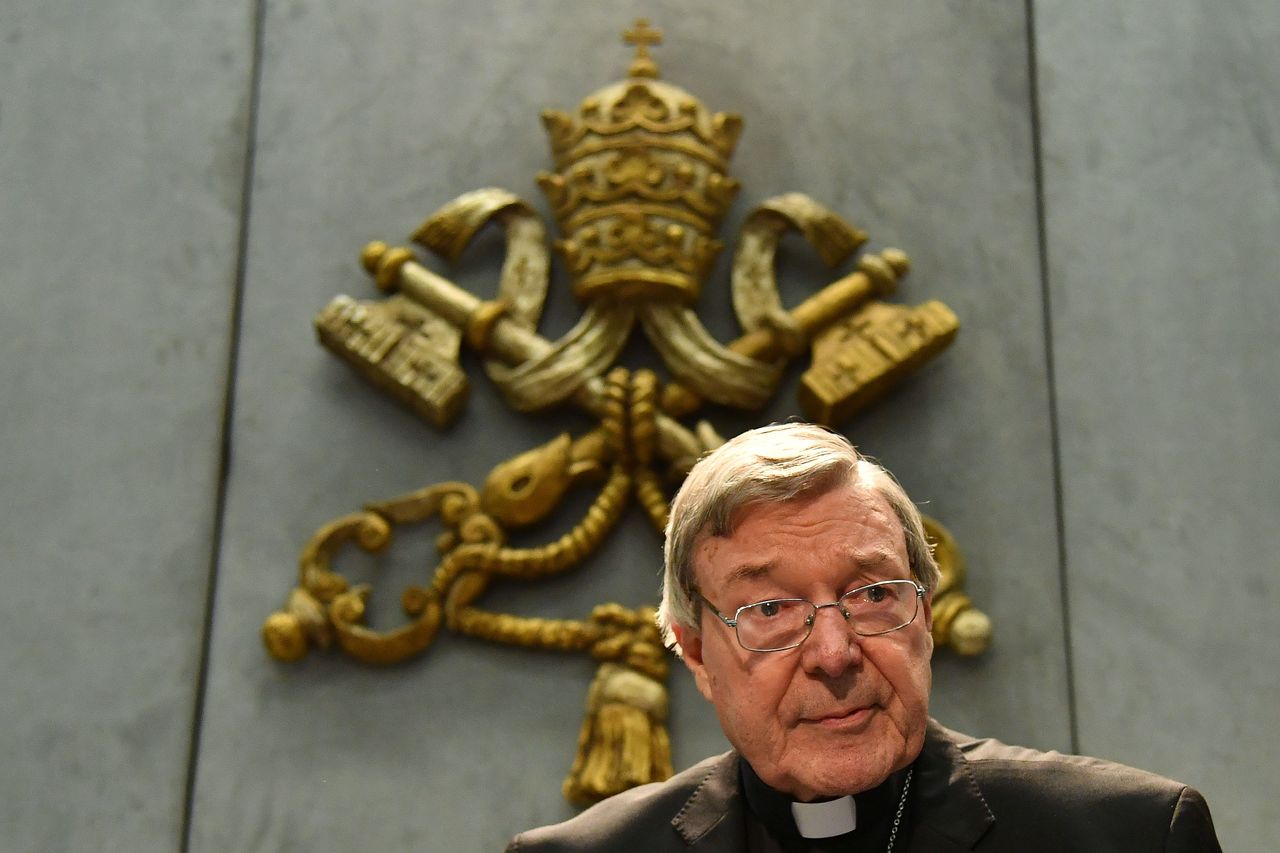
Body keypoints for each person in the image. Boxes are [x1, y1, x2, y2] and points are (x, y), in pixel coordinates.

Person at [507, 423, 1221, 851]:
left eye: (874, 595)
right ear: (695, 649)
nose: (834, 654)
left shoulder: (1129, 836)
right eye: (772, 611)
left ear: (929, 615)